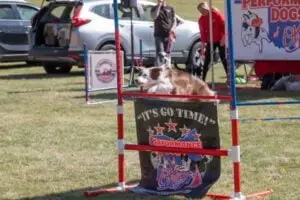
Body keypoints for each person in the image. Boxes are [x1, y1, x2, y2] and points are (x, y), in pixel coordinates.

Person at [197, 2, 228, 82]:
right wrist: (203, 48)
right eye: (201, 11)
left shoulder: (216, 14)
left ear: (207, 8)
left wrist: (223, 38)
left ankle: (229, 78)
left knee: (223, 57)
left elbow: (225, 26)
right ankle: (202, 79)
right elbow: (203, 34)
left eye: (204, 10)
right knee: (207, 60)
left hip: (221, 39)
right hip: (211, 41)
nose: (202, 13)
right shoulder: (201, 20)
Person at [151, 0, 176, 66]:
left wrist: (173, 29)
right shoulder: (154, 8)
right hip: (159, 35)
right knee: (160, 53)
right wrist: (159, 5)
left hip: (169, 35)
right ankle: (159, 69)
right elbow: (154, 16)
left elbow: (174, 20)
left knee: (168, 53)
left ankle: (167, 68)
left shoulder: (170, 8)